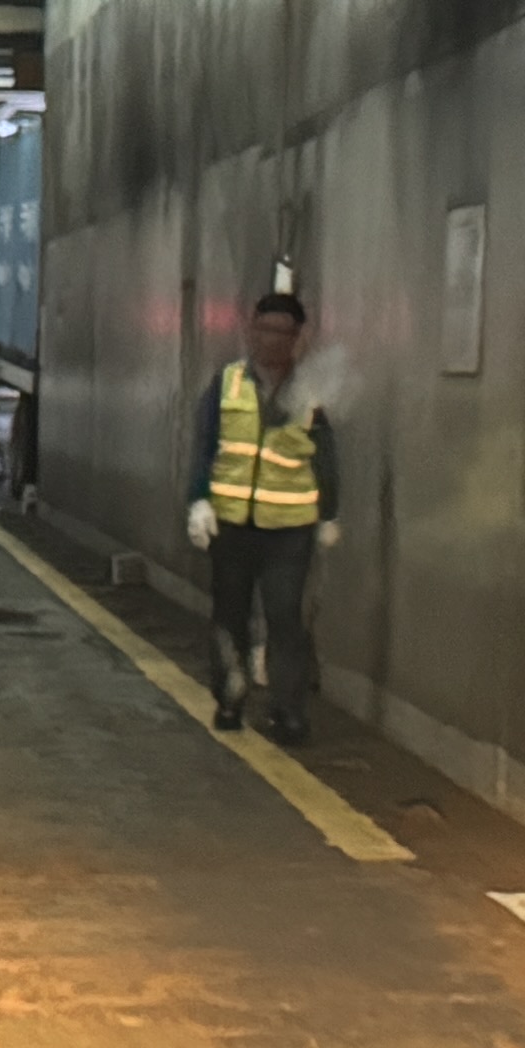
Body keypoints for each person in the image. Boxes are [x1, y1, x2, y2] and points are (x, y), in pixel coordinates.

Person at [182, 277, 342, 740]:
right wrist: (199, 500)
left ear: (297, 338)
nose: (272, 340)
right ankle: (230, 698)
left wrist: (329, 515)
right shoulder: (227, 383)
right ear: (252, 331)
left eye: (282, 332)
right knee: (229, 614)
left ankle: (289, 712)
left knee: (285, 619)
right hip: (231, 524)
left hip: (289, 529)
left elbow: (325, 458)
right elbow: (206, 445)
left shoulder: (310, 392)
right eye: (265, 329)